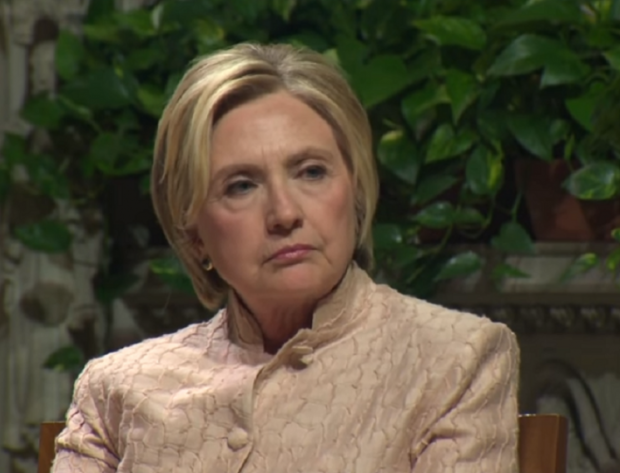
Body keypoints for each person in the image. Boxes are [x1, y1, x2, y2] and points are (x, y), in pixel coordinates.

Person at [52, 43, 520, 473]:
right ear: (193, 233)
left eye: (311, 172)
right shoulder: (115, 389)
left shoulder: (457, 359)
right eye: (241, 185)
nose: (285, 213)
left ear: (354, 191)